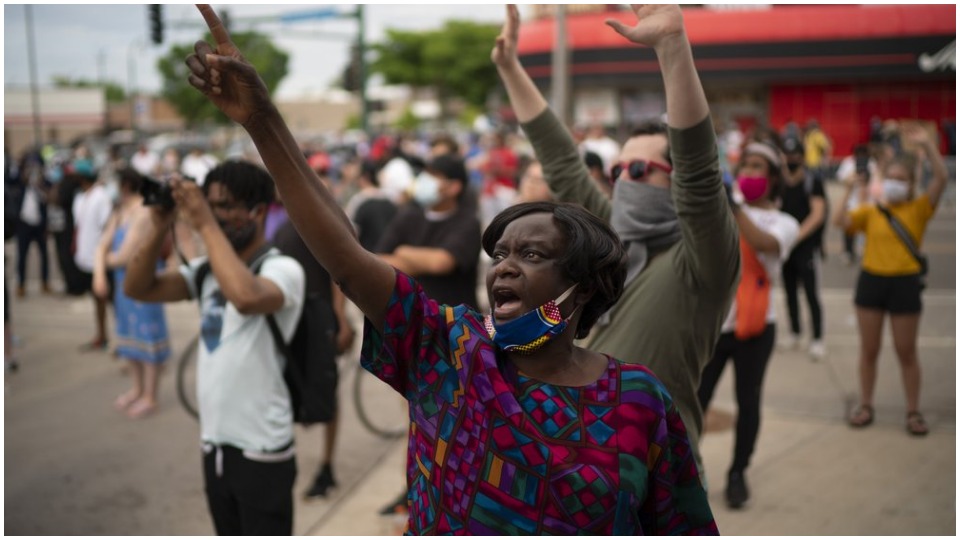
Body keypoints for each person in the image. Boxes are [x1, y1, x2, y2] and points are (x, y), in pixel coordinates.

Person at [184, 4, 719, 534]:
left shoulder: (639, 398)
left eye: (531, 256)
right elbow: (347, 256)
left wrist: (672, 48)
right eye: (501, 254)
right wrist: (262, 121)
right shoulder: (453, 350)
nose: (504, 269)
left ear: (582, 289)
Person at [491, 2, 740, 477]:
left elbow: (699, 175)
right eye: (618, 169)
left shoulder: (701, 263)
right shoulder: (612, 241)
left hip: (654, 474)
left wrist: (672, 46)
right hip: (572, 468)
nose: (624, 179)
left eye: (641, 169)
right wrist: (510, 69)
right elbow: (562, 162)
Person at [124, 160, 305, 535]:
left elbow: (246, 297)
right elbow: (138, 288)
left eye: (224, 206)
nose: (215, 214)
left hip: (262, 452)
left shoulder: (283, 269)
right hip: (215, 445)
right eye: (210, 204)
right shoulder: (207, 271)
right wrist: (160, 223)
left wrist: (204, 223)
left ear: (256, 212)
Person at [697, 141, 800, 509]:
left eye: (759, 167)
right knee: (696, 400)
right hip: (713, 326)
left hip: (756, 329)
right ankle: (685, 469)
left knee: (748, 401)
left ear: (773, 178)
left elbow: (765, 244)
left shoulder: (785, 222)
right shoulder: (723, 210)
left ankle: (738, 472)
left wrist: (734, 206)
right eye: (746, 167)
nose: (750, 173)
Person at [833, 124, 948, 437]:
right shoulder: (872, 211)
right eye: (892, 178)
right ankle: (866, 405)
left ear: (911, 184)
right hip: (871, 282)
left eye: (902, 179)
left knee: (906, 351)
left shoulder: (919, 209)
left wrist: (928, 146)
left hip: (905, 284)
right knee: (868, 351)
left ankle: (913, 411)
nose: (896, 183)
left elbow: (942, 179)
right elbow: (840, 221)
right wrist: (849, 189)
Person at [273, 218, 354, 499]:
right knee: (286, 391)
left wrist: (340, 317)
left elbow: (336, 271)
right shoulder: (280, 225)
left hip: (319, 320)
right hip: (289, 319)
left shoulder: (316, 219)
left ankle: (327, 466)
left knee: (326, 392)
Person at [93, 168, 171, 419]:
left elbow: (123, 255)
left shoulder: (143, 212)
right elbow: (103, 245)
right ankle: (138, 390)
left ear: (126, 185)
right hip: (123, 285)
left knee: (147, 338)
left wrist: (103, 260)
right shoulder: (120, 211)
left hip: (143, 283)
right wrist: (102, 265)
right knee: (129, 339)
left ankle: (150, 396)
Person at [376, 153, 482, 310]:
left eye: (434, 176)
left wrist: (402, 251)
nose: (425, 180)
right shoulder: (408, 216)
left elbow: (441, 262)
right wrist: (421, 263)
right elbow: (379, 260)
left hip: (455, 323)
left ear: (454, 187)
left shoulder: (467, 222)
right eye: (426, 173)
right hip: (413, 318)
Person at [779, 137, 828, 359]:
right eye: (787, 156)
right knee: (789, 291)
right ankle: (795, 333)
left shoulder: (812, 182)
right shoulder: (779, 183)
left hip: (804, 246)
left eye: (795, 156)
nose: (791, 160)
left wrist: (796, 236)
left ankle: (817, 338)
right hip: (785, 248)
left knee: (810, 293)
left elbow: (818, 214)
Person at [72, 164, 115, 351]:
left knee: (112, 300)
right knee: (98, 301)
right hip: (87, 257)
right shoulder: (82, 197)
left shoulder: (101, 197)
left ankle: (124, 339)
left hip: (100, 259)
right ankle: (102, 336)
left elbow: (108, 227)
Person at [14, 150, 52, 297]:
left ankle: (45, 283)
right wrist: (24, 178)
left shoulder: (44, 181)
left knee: (44, 255)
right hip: (24, 223)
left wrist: (40, 183)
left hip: (39, 224)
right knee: (22, 255)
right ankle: (21, 284)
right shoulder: (20, 180)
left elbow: (50, 194)